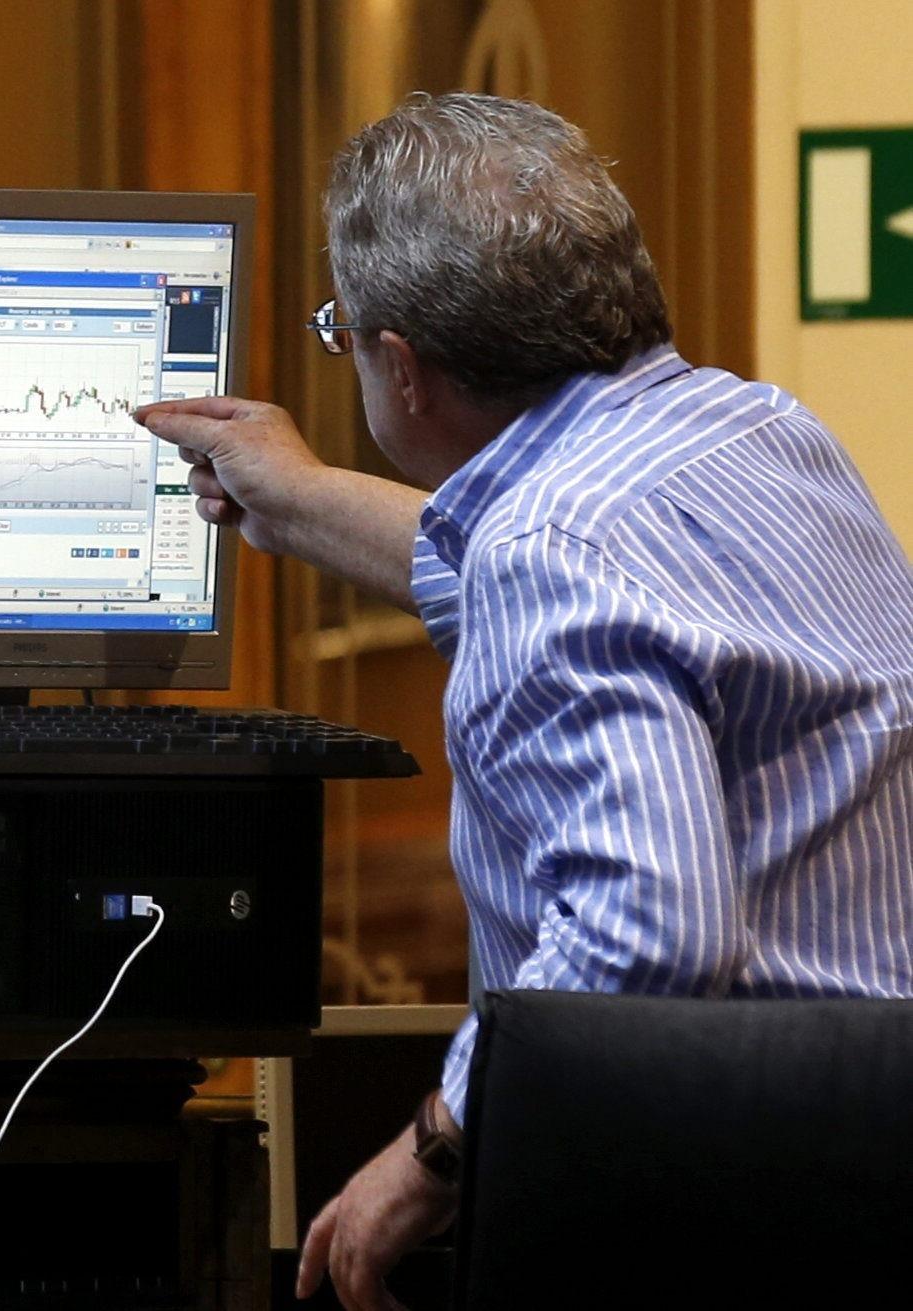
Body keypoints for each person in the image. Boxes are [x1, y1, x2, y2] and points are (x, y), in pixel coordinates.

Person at [135, 92, 913, 1311]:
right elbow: (554, 576)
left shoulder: (553, 552)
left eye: (343, 336)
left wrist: (435, 1150)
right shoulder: (759, 431)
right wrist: (292, 497)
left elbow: (650, 934)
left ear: (402, 364)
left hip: (731, 1209)